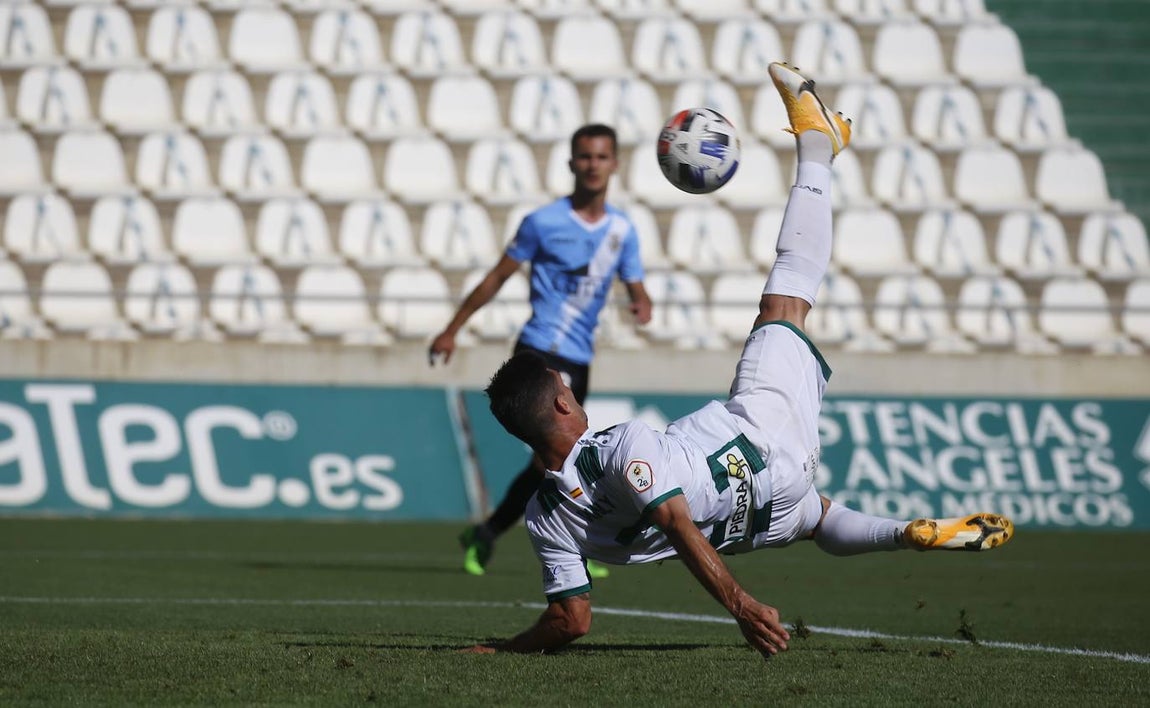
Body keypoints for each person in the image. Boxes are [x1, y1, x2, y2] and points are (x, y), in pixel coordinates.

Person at [466, 63, 1014, 657]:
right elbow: (674, 521)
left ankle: (902, 534)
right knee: (784, 301)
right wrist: (741, 604)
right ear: (562, 402)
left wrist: (501, 649)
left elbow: (570, 621)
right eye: (562, 382)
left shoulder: (544, 517)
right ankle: (817, 145)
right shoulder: (620, 445)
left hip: (756, 520)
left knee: (817, 518)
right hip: (757, 440)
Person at [429, 123, 653, 578]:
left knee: (551, 461)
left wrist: (642, 302)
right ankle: (578, 543)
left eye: (601, 157)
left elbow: (636, 285)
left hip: (580, 357)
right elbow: (496, 277)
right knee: (562, 455)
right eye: (585, 157)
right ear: (572, 163)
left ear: (614, 163)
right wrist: (453, 328)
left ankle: (489, 532)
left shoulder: (622, 231)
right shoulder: (543, 223)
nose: (593, 165)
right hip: (540, 349)